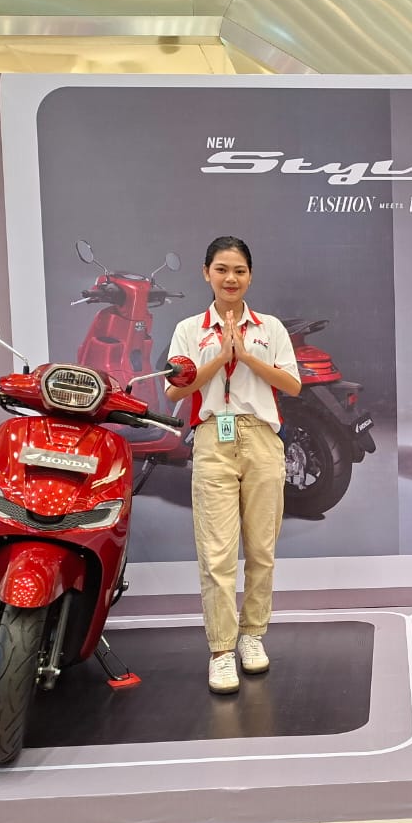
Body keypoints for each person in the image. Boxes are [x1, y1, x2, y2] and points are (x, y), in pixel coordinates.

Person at [165, 236, 301, 694]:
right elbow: (175, 390)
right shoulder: (189, 329)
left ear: (250, 276)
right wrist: (220, 358)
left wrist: (245, 356)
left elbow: (292, 385)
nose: (230, 278)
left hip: (261, 439)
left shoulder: (270, 328)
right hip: (213, 439)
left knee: (261, 549)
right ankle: (221, 651)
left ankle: (252, 636)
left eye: (239, 270)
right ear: (206, 273)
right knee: (217, 554)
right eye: (221, 269)